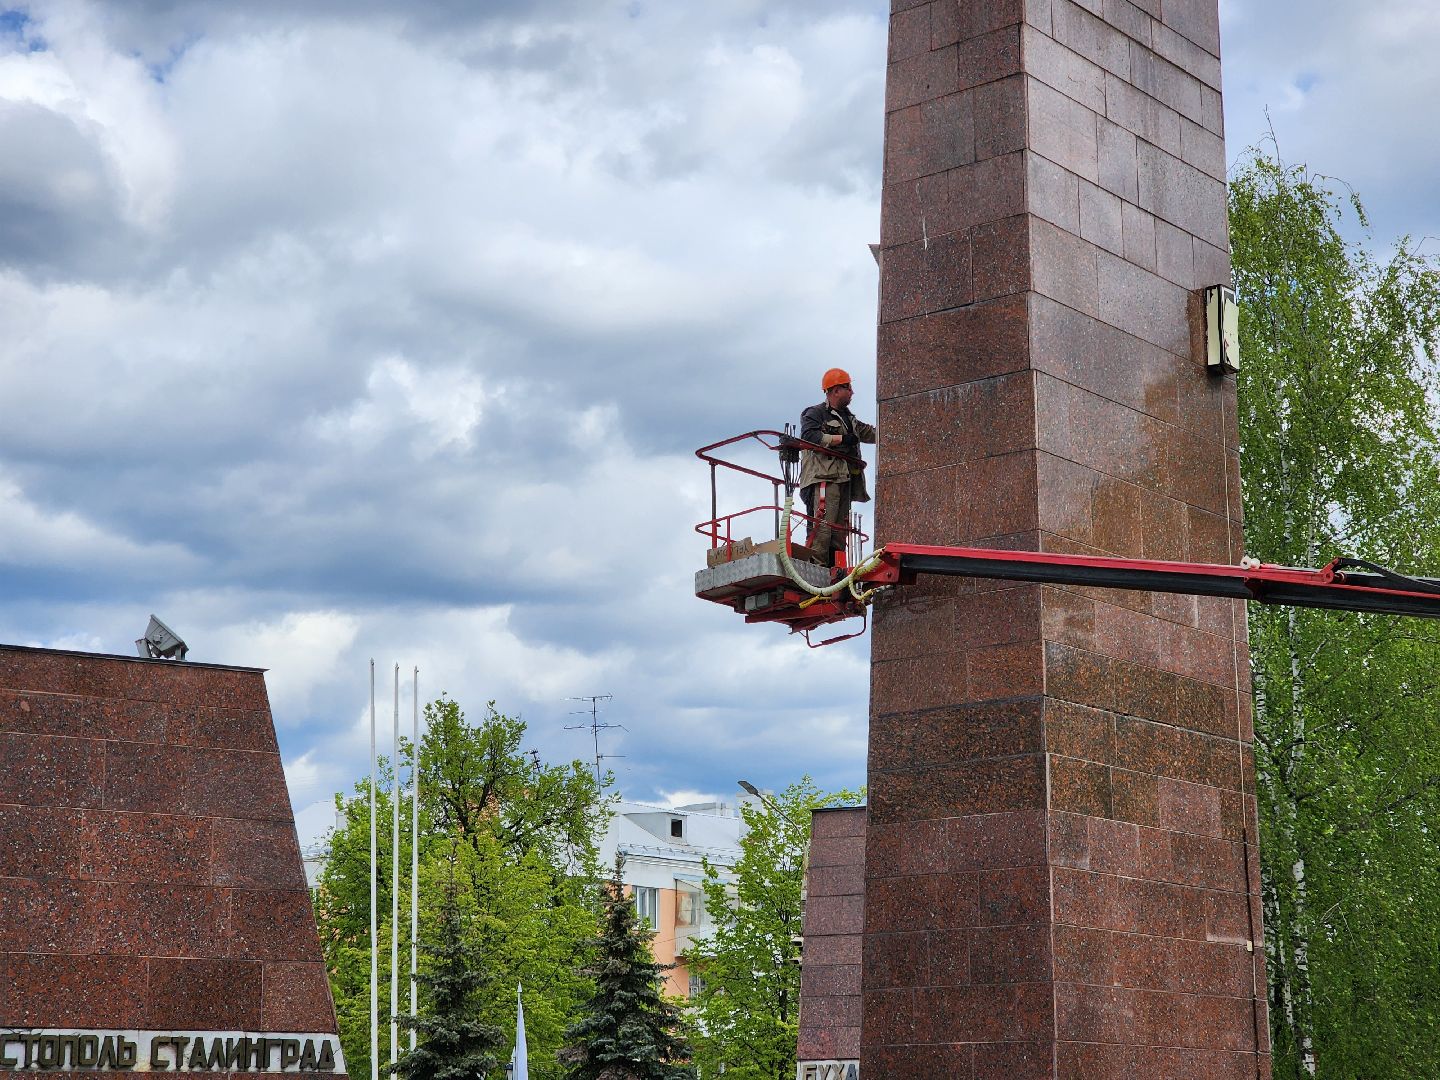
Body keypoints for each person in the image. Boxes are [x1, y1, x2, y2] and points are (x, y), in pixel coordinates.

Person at [799, 368, 877, 566]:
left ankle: (836, 570)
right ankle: (817, 570)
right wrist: (841, 439)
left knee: (839, 531)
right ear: (834, 390)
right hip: (823, 479)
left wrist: (897, 430)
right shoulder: (815, 413)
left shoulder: (849, 419)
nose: (852, 391)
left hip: (843, 479)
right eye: (848, 387)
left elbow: (870, 433)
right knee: (822, 529)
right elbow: (810, 437)